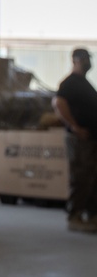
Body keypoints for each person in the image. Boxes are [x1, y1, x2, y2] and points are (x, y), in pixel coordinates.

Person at [53, 48, 97, 233]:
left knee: (92, 179)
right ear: (76, 60)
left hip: (91, 138)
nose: (89, 62)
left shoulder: (85, 83)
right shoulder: (69, 83)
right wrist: (74, 127)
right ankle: (75, 215)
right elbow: (58, 103)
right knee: (81, 177)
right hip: (80, 139)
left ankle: (91, 214)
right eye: (86, 59)